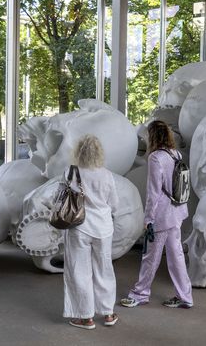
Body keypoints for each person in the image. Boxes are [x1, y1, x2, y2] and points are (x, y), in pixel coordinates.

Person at [121, 120, 193, 309]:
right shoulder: (175, 154)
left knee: (150, 256)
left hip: (161, 216)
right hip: (177, 212)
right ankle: (185, 296)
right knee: (176, 255)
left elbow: (153, 192)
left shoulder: (155, 158)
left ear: (153, 136)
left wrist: (148, 219)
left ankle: (140, 294)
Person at [62, 134, 120, 330]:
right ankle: (109, 313)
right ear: (99, 152)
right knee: (104, 269)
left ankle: (85, 317)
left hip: (79, 226)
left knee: (80, 271)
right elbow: (114, 204)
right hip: (103, 228)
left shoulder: (71, 172)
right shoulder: (107, 175)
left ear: (78, 151)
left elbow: (59, 197)